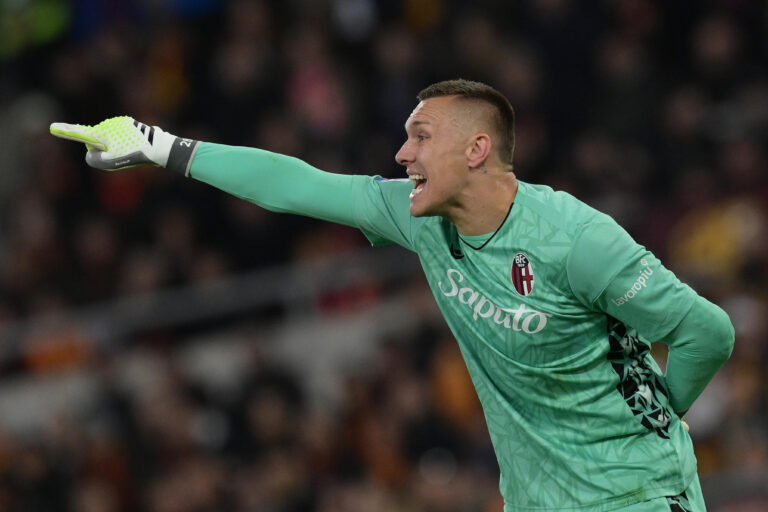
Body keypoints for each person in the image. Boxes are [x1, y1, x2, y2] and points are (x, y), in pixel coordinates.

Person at [51, 79, 734, 512]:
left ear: (476, 149)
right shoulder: (419, 220)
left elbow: (708, 332)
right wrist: (160, 144)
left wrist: (663, 409)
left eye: (420, 136)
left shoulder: (576, 240)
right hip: (537, 499)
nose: (402, 153)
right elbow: (297, 184)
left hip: (634, 495)